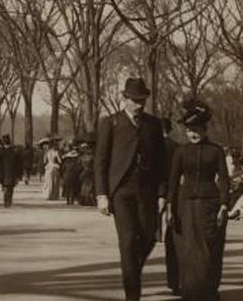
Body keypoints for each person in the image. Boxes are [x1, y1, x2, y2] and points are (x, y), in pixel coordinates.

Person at [94, 78, 167, 301]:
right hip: (121, 191)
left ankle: (132, 271)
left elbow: (161, 162)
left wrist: (162, 193)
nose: (139, 104)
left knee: (149, 237)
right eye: (134, 100)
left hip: (146, 191)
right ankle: (132, 294)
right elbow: (101, 161)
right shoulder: (111, 123)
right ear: (124, 99)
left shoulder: (153, 124)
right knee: (127, 240)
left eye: (142, 100)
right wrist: (102, 194)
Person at [168, 99, 229, 301]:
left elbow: (224, 179)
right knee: (188, 250)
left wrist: (223, 204)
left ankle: (209, 291)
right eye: (189, 130)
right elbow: (173, 180)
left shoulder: (216, 151)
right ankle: (190, 292)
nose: (192, 134)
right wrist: (170, 206)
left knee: (209, 248)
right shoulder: (180, 152)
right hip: (184, 205)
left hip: (210, 205)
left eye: (196, 129)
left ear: (204, 129)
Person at [161, 118, 181, 295]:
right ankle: (175, 281)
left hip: (154, 191)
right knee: (172, 235)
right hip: (174, 191)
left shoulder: (152, 146)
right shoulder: (177, 147)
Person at [0, 135, 21, 208]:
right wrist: (18, 175)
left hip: (3, 172)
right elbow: (18, 165)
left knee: (5, 187)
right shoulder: (14, 152)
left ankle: (6, 201)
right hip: (12, 172)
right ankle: (9, 200)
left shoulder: (1, 152)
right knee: (10, 187)